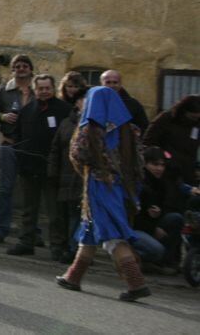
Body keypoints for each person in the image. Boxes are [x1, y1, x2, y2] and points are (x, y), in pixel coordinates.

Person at [56, 87, 150, 302]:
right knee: (89, 232)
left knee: (112, 236)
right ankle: (73, 277)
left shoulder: (89, 129)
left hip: (99, 186)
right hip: (121, 186)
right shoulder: (130, 130)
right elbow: (139, 163)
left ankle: (136, 283)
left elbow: (78, 155)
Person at [7, 74, 70, 257]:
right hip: (29, 168)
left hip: (53, 169)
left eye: (47, 88)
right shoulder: (27, 110)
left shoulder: (64, 110)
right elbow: (17, 137)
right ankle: (26, 241)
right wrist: (21, 158)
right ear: (35, 90)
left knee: (54, 212)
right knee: (28, 209)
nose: (44, 92)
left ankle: (57, 246)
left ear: (53, 88)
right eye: (40, 88)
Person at [0, 54, 36, 244]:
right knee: (5, 189)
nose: (21, 69)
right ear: (12, 70)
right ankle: (1, 229)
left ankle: (32, 231)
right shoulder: (4, 90)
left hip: (31, 147)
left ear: (31, 69)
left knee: (31, 191)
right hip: (9, 144)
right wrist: (2, 117)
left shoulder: (37, 90)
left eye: (25, 65)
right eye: (17, 66)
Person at [132, 146, 200, 273]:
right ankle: (133, 258)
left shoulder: (160, 183)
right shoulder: (139, 183)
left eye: (162, 165)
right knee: (157, 250)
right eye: (155, 164)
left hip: (149, 224)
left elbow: (163, 207)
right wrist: (153, 228)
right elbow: (132, 217)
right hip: (133, 229)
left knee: (175, 218)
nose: (159, 168)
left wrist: (158, 213)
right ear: (145, 164)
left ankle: (162, 262)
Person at [47, 87, 86, 264]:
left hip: (87, 178)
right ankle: (69, 248)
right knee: (69, 214)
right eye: (82, 99)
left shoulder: (97, 123)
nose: (85, 102)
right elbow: (55, 149)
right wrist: (53, 172)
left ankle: (77, 249)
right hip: (67, 175)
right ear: (77, 103)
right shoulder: (66, 123)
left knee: (81, 217)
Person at [143, 94, 200, 186]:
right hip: (166, 171)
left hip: (188, 172)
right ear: (184, 111)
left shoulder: (197, 124)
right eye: (193, 117)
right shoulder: (166, 119)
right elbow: (148, 142)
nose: (195, 120)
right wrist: (164, 159)